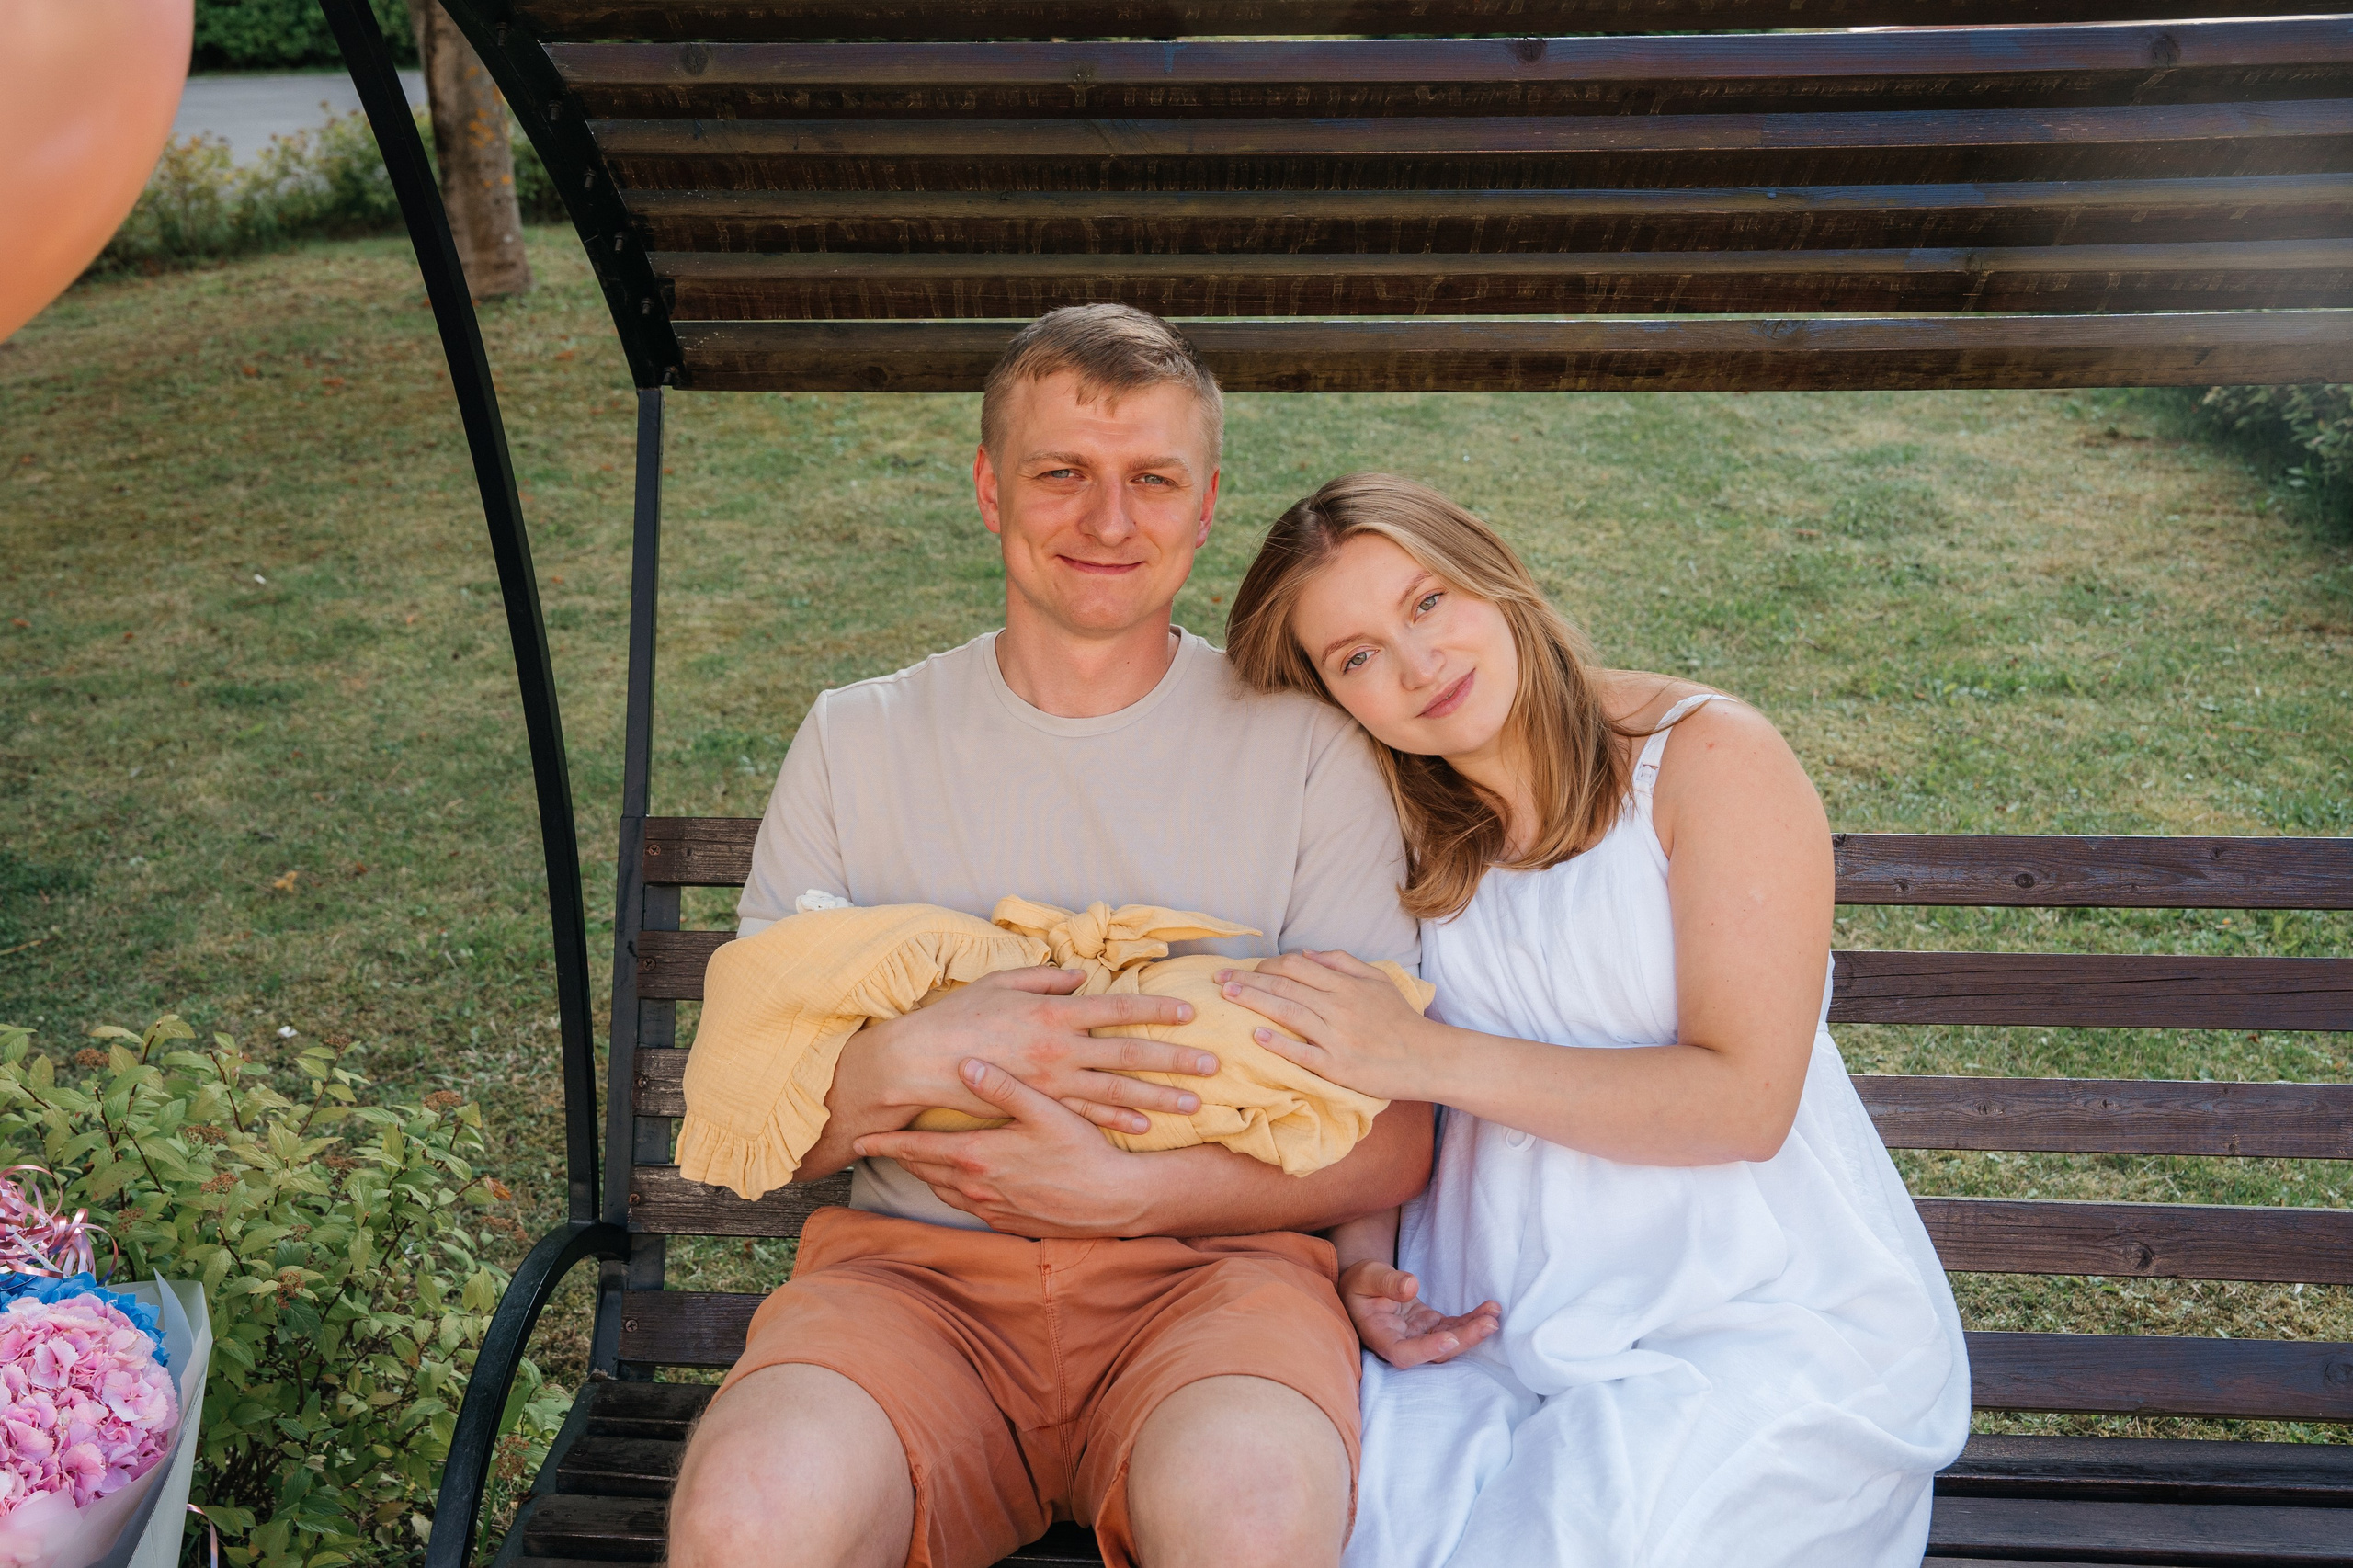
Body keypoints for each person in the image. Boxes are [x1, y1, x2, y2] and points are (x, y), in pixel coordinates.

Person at [665, 308, 1435, 1568]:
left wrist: (1133, 1194)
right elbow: (761, 1124)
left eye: (1153, 480)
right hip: (913, 1284)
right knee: (749, 1517)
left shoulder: (1309, 751)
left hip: (1216, 1285)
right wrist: (919, 1057)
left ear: (1205, 505)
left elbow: (1393, 1131)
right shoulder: (857, 740)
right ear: (988, 487)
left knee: (1253, 1519)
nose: (1109, 520)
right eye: (1062, 471)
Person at [1219, 473, 1972, 1568]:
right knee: (1350, 1526)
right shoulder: (1395, 819)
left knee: (1577, 1538)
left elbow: (1744, 1103)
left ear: (1494, 574)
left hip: (1746, 1319)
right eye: (1356, 656)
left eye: (1426, 602)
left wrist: (1429, 1052)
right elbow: (1366, 1075)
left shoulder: (1705, 760)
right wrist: (1362, 1268)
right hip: (1484, 1323)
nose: (1416, 664)